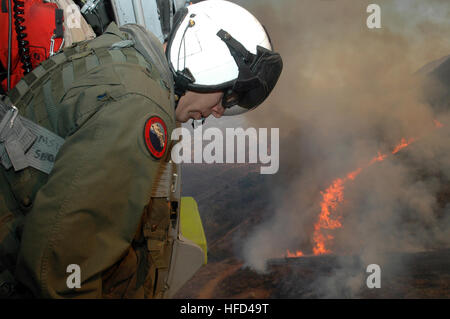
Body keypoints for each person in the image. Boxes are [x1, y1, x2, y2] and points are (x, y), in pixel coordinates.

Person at [0, 0, 282, 298]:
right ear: (210, 63)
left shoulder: (125, 55)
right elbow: (60, 271)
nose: (217, 112)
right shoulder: (140, 109)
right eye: (226, 98)